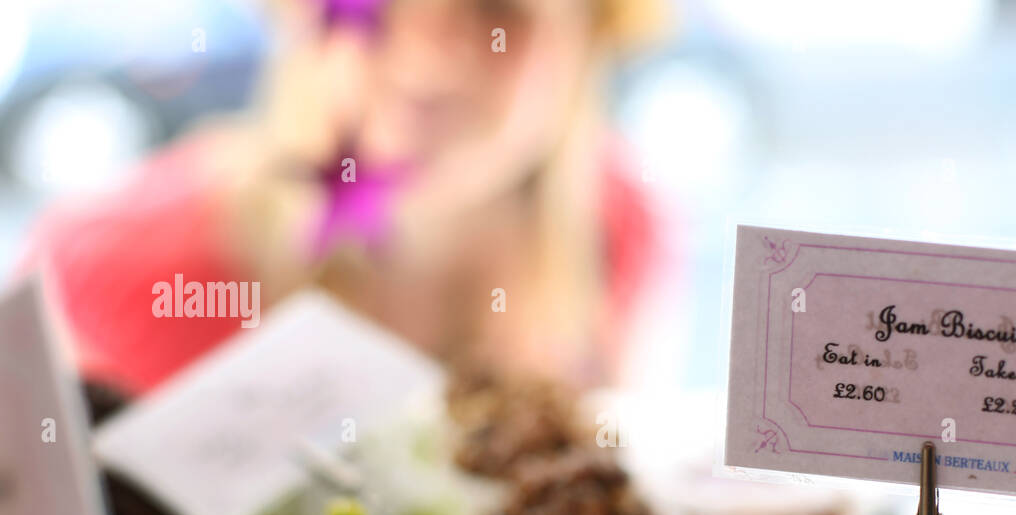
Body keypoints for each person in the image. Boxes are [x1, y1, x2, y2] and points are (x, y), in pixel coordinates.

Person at [17, 0, 667, 394]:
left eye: (497, 4)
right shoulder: (104, 272)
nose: (427, 59)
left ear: (592, 33)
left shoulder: (618, 228)